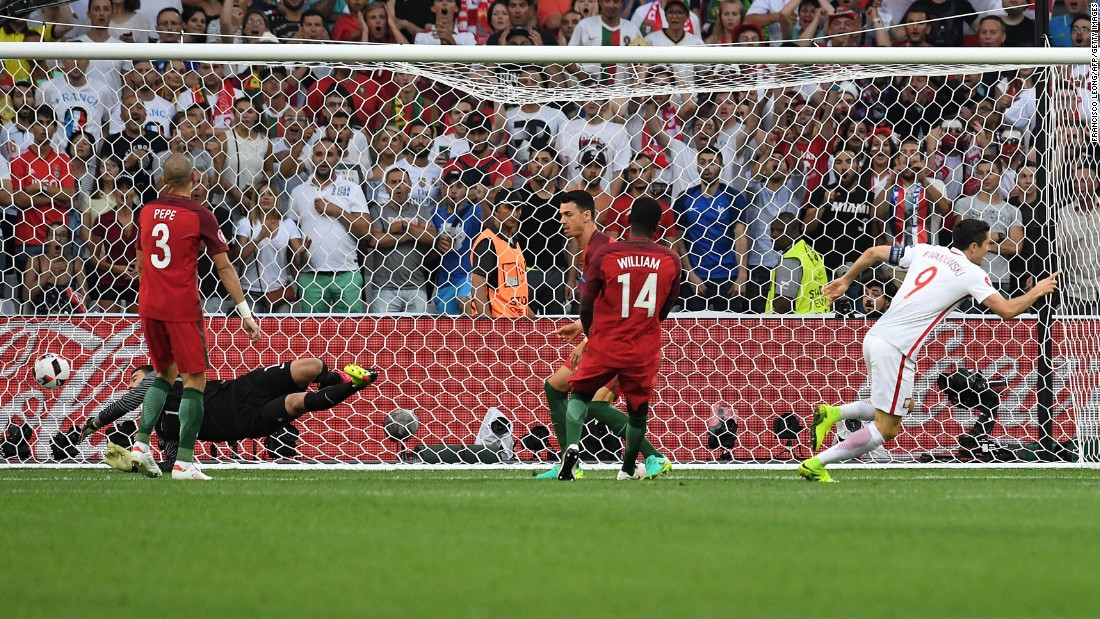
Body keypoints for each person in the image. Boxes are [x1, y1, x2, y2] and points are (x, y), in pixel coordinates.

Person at [799, 219, 1061, 482]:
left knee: (905, 406)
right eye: (987, 244)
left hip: (877, 337)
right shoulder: (971, 273)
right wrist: (1036, 291)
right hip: (896, 348)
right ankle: (817, 463)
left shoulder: (927, 251)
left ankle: (834, 413)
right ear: (973, 246)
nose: (988, 249)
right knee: (887, 428)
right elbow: (1007, 310)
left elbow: (873, 252)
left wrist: (846, 280)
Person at [131, 153, 263, 481]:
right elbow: (224, 266)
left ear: (163, 180)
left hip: (149, 305)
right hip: (180, 308)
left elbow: (140, 261)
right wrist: (245, 312)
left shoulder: (146, 212)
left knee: (164, 373)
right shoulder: (200, 215)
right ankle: (184, 463)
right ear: (195, 179)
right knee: (195, 380)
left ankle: (141, 445)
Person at [536, 190, 672, 480]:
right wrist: (581, 327)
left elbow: (626, 302)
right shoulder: (591, 250)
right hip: (608, 337)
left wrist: (588, 340)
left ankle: (653, 456)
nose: (562, 221)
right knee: (556, 387)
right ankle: (570, 461)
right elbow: (607, 301)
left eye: (568, 214)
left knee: (593, 401)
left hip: (617, 342)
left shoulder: (607, 249)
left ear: (587, 216)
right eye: (560, 215)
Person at [78, 359, 380, 470]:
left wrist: (95, 423)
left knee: (310, 367)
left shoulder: (163, 382)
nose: (133, 387)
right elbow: (172, 463)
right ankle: (355, 386)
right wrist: (136, 467)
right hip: (243, 421)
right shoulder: (163, 429)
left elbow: (126, 402)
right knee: (299, 402)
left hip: (241, 389)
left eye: (135, 380)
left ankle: (338, 378)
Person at [468, 189, 530, 318]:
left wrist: (533, 322)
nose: (514, 213)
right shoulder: (488, 243)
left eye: (518, 208)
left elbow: (515, 293)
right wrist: (488, 328)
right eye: (508, 207)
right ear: (496, 210)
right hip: (499, 324)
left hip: (518, 322)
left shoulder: (514, 241)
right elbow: (478, 289)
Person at [764, 212, 828, 314]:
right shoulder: (809, 252)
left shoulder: (791, 259)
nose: (774, 235)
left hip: (799, 324)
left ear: (795, 232)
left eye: (780, 231)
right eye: (772, 230)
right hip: (819, 317)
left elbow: (783, 306)